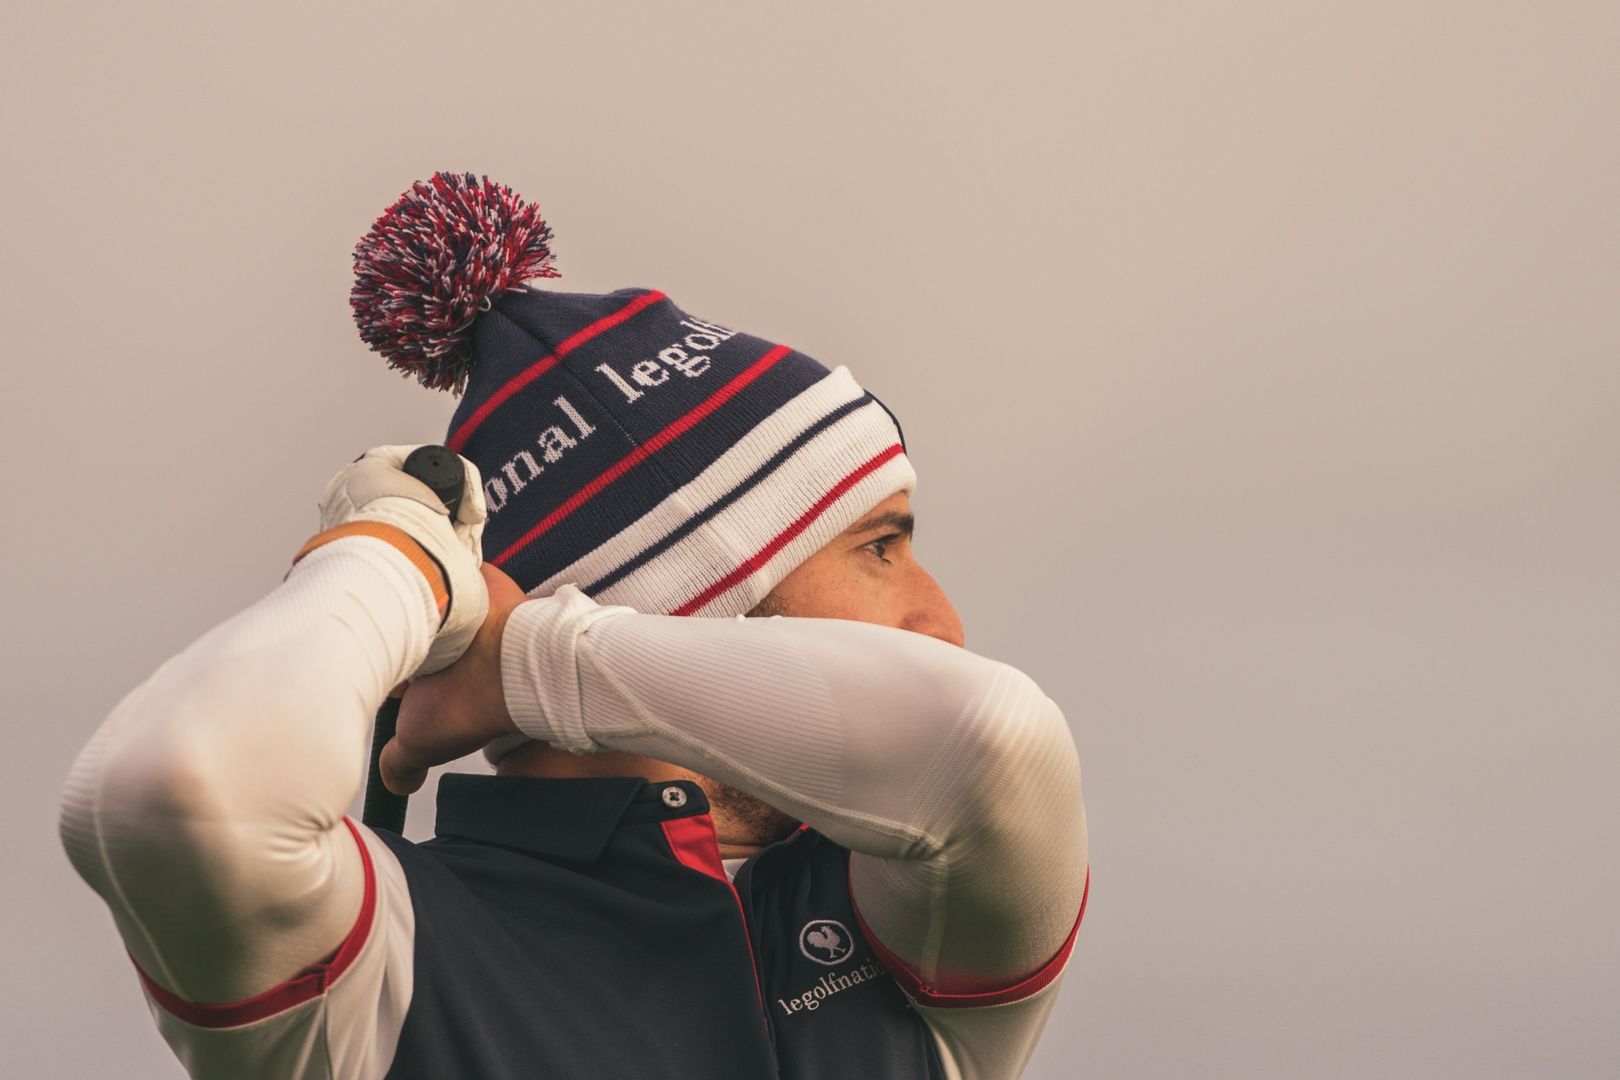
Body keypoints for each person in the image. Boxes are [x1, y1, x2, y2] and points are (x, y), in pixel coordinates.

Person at [60, 173, 1089, 1079]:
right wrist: (394, 559)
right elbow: (173, 799)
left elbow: (995, 743)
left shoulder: (897, 894)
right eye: (880, 547)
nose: (942, 622)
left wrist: (526, 661)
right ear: (686, 606)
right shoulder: (387, 960)